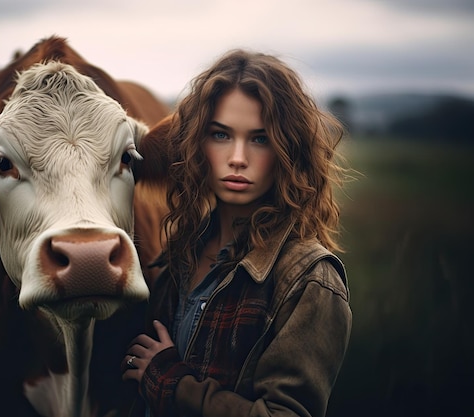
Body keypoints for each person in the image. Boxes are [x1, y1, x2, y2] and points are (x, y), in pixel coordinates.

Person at [121, 48, 352, 417]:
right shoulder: (181, 253)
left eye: (259, 139)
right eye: (221, 135)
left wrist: (174, 384)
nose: (238, 157)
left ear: (286, 149)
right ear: (198, 143)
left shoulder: (308, 281)